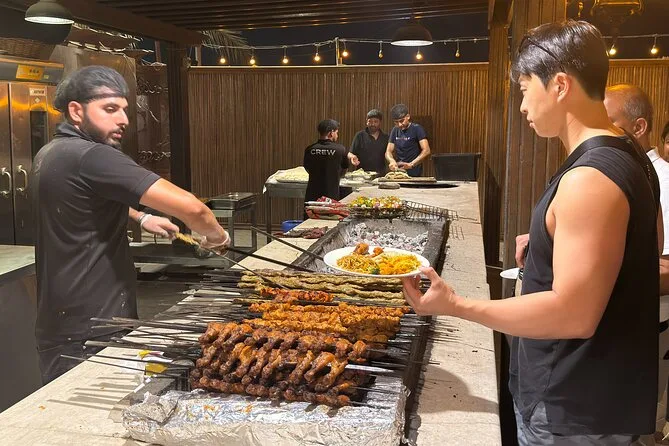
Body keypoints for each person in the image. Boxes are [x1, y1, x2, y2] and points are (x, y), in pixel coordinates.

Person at [403, 20, 661, 444]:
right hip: (602, 397)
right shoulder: (633, 157)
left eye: (525, 89)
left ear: (559, 85)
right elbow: (639, 256)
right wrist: (548, 245)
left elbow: (574, 315)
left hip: (570, 406)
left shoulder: (590, 179)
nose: (522, 106)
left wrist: (455, 305)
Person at [30, 66, 231, 384]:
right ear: (76, 111)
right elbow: (195, 210)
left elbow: (86, 199)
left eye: (124, 109)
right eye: (110, 109)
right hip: (94, 325)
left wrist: (141, 216)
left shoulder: (51, 153)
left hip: (61, 318)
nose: (123, 119)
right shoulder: (94, 156)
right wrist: (217, 238)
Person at [604, 83, 669, 437]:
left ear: (639, 126)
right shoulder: (630, 169)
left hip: (648, 321)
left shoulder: (658, 178)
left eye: (607, 123)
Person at [303, 119, 359, 203]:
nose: (337, 135)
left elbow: (307, 167)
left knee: (311, 212)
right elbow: (344, 170)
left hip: (312, 195)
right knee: (330, 212)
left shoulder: (310, 149)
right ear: (331, 133)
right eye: (336, 132)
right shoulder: (340, 150)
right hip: (331, 195)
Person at [385, 104, 431, 177]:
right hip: (399, 171)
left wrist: (412, 164)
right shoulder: (395, 130)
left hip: (414, 172)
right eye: (396, 122)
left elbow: (426, 150)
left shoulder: (417, 129)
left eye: (401, 121)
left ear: (408, 116)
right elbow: (388, 151)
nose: (399, 124)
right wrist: (391, 161)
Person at [349, 109, 389, 174]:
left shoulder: (386, 137)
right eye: (370, 121)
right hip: (362, 174)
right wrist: (352, 157)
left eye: (375, 121)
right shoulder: (359, 135)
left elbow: (389, 154)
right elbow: (350, 153)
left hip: (381, 175)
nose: (372, 124)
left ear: (380, 122)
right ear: (366, 121)